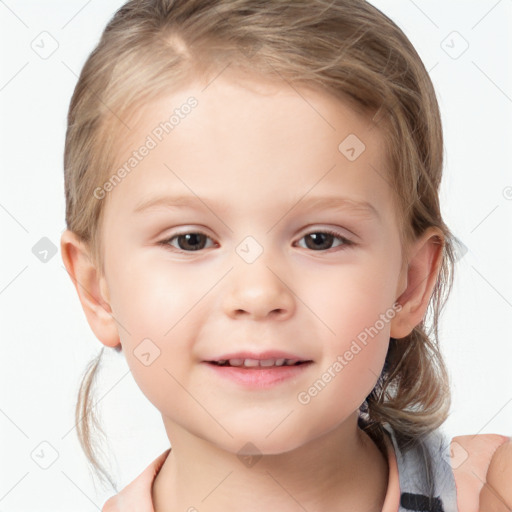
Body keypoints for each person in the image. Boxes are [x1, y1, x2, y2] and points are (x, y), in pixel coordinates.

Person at [59, 0, 512, 510]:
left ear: (408, 284)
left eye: (320, 239)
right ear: (97, 291)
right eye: (191, 240)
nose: (257, 294)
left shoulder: (493, 492)